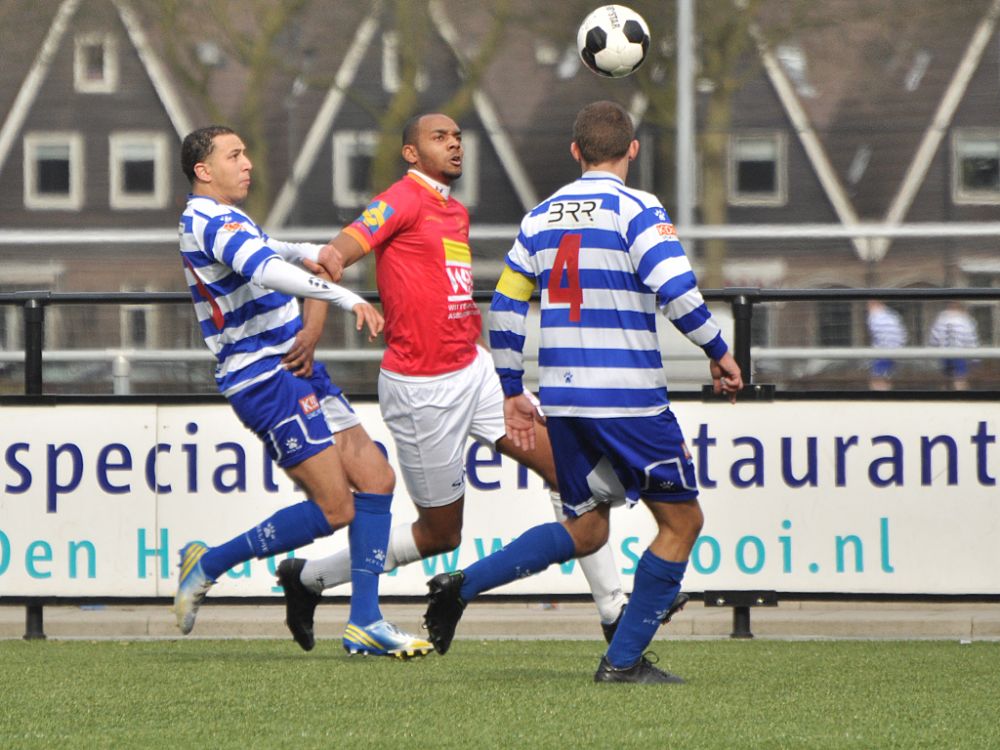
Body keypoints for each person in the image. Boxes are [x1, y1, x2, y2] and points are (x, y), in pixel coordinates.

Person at [276, 113, 637, 650]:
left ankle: (614, 611)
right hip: (423, 391)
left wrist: (493, 365)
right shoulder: (400, 199)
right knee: (440, 534)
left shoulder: (454, 212)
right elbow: (332, 257)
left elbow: (454, 297)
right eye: (439, 138)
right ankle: (308, 578)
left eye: (458, 138)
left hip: (475, 371)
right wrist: (311, 329)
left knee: (572, 475)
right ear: (411, 154)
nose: (454, 145)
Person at [423, 101, 743, 684]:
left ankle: (461, 586)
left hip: (565, 402)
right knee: (681, 523)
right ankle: (622, 662)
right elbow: (676, 291)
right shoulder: (638, 209)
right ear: (632, 150)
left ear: (575, 151)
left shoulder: (539, 218)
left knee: (588, 528)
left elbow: (506, 306)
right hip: (629, 402)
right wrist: (719, 352)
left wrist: (511, 387)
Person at [174, 125, 431, 658]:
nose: (247, 163)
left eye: (246, 153)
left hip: (296, 366)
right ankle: (209, 562)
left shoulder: (228, 217)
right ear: (203, 171)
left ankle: (365, 622)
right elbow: (269, 269)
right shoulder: (205, 220)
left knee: (377, 478)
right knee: (336, 509)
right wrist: (344, 298)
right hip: (264, 376)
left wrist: (314, 250)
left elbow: (276, 248)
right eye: (234, 155)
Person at [928, 301, 979, 391]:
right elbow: (970, 338)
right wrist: (975, 358)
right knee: (959, 379)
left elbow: (934, 337)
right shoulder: (965, 319)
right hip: (959, 353)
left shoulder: (941, 318)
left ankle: (946, 396)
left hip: (944, 352)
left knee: (946, 379)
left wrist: (933, 351)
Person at [867, 300, 907, 391]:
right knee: (884, 379)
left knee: (879, 381)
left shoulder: (876, 317)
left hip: (883, 353)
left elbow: (881, 336)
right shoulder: (891, 316)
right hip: (892, 352)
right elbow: (902, 335)